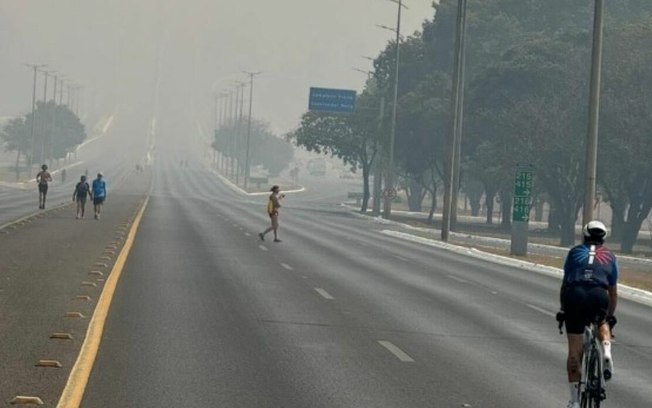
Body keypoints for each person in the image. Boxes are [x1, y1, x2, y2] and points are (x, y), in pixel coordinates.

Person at [558, 220, 618, 408]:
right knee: (602, 322)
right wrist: (610, 315)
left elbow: (565, 284)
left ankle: (575, 401)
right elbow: (613, 292)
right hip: (598, 296)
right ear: (604, 238)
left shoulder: (574, 252)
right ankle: (606, 349)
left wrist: (563, 309)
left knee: (574, 351)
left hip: (574, 296)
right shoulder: (610, 256)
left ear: (584, 235)